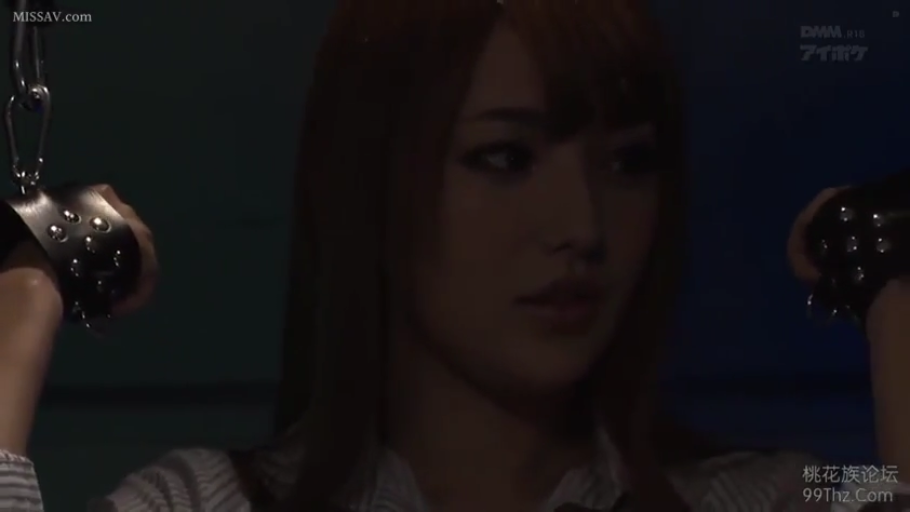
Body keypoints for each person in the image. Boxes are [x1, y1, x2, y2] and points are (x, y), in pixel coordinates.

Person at [0, 0, 908, 511]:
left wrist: (894, 280)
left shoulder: (784, 493)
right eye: (506, 158)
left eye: (629, 162)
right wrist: (30, 282)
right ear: (373, 183)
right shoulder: (199, 503)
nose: (584, 226)